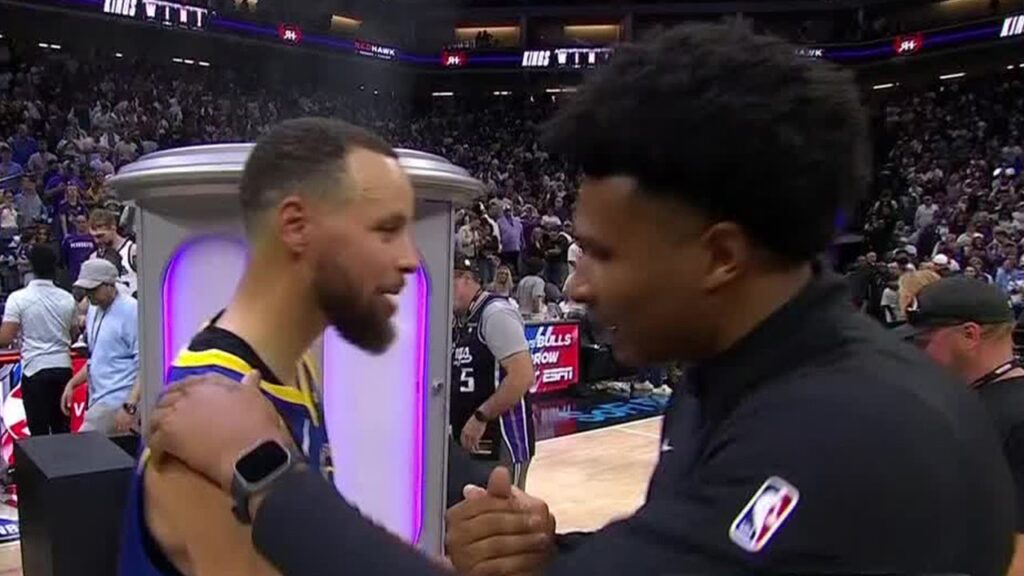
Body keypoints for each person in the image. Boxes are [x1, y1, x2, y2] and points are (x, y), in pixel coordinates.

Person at [144, 23, 1015, 576]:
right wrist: (556, 551)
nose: (578, 284)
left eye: (599, 252)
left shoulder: (843, 437)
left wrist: (265, 473)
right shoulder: (731, 380)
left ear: (718, 256)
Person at [119, 117, 419, 575]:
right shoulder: (207, 424)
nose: (409, 259)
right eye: (385, 229)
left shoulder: (294, 365)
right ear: (296, 226)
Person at [897, 276, 1024, 576]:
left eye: (924, 341)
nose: (915, 353)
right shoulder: (968, 399)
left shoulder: (1018, 417)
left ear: (970, 335)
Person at [450, 256, 535, 494]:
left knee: (506, 520)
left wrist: (481, 416)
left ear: (466, 279)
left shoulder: (495, 313)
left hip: (503, 441)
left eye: (450, 281)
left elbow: (522, 376)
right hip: (470, 442)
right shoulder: (459, 319)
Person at [0, 245, 77, 435]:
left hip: (35, 371)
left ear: (31, 267)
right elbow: (74, 334)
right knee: (63, 432)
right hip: (63, 369)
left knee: (38, 436)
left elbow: (5, 338)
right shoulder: (67, 298)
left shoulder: (18, 298)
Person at [61, 258, 139, 435]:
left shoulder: (132, 311)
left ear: (110, 285)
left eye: (93, 289)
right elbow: (97, 358)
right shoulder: (93, 310)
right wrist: (73, 384)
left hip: (117, 400)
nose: (89, 294)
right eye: (86, 290)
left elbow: (144, 365)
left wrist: (130, 406)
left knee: (82, 454)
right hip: (99, 399)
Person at [88, 208, 137, 297]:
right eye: (93, 237)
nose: (96, 241)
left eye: (100, 236)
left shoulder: (132, 251)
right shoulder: (94, 257)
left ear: (113, 228)